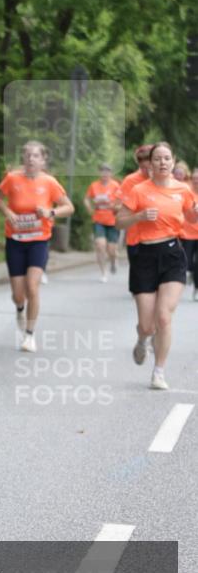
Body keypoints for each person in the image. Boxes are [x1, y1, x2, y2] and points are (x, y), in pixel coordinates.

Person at [116, 142, 198, 389]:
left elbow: (192, 216)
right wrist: (139, 217)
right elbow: (119, 222)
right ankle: (142, 339)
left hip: (172, 253)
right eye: (157, 159)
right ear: (150, 164)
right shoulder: (139, 190)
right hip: (144, 255)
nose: (162, 163)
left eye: (166, 159)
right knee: (148, 324)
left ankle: (159, 372)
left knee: (164, 317)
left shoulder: (183, 190)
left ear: (173, 162)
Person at [0, 141, 74, 352]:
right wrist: (9, 213)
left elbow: (69, 207)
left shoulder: (49, 182)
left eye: (35, 156)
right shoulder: (12, 179)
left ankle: (29, 335)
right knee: (18, 294)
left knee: (32, 286)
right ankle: (20, 308)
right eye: (27, 155)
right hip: (15, 241)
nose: (30, 159)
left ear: (43, 160)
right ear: (23, 159)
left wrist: (50, 213)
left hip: (39, 240)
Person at [84, 164, 121, 282]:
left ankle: (114, 260)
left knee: (111, 249)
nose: (105, 174)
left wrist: (114, 206)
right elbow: (86, 198)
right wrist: (89, 207)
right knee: (100, 245)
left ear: (111, 173)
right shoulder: (94, 186)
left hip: (113, 220)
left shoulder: (115, 186)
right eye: (102, 172)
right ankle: (103, 273)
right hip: (98, 219)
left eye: (107, 172)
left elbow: (121, 201)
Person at [180, 167, 198, 299]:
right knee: (187, 261)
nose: (196, 181)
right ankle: (190, 272)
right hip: (187, 233)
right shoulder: (186, 192)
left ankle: (196, 289)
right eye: (194, 179)